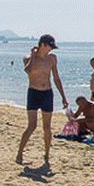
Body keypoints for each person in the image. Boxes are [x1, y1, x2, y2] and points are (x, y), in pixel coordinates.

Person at [16, 34, 68, 166]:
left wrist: (63, 96)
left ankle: (47, 155)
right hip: (33, 93)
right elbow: (28, 70)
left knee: (47, 127)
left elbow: (56, 78)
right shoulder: (28, 58)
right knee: (32, 125)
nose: (51, 50)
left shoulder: (52, 58)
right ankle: (19, 154)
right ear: (43, 45)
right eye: (50, 47)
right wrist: (33, 55)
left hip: (47, 94)